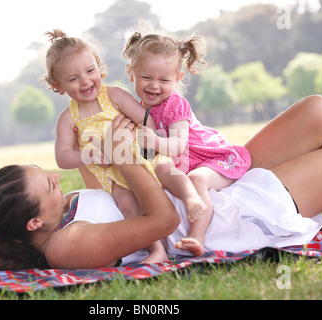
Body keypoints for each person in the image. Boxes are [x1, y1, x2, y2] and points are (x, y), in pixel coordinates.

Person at [0, 96, 322, 271]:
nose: (57, 178)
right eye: (49, 186)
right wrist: (127, 158)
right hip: (225, 217)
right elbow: (162, 223)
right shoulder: (65, 247)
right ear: (33, 224)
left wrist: (102, 141)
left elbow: (104, 187)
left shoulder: (61, 216)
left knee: (318, 110)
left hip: (204, 187)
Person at [41, 29, 206, 263]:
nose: (86, 80)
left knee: (167, 171)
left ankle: (191, 198)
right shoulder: (68, 118)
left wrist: (147, 142)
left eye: (90, 71)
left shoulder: (114, 96)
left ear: (99, 67)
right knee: (127, 203)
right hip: (112, 172)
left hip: (142, 153)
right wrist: (89, 155)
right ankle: (155, 250)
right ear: (58, 86)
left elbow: (146, 118)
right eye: (73, 79)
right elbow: (63, 157)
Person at [123, 32, 251, 256]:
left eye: (164, 80)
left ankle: (196, 237)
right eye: (146, 78)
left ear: (178, 78)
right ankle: (157, 245)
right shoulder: (137, 108)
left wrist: (154, 141)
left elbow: (178, 145)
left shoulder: (175, 104)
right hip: (184, 163)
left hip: (211, 157)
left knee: (197, 179)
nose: (154, 86)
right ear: (131, 73)